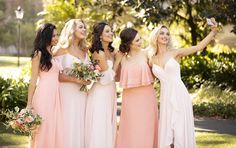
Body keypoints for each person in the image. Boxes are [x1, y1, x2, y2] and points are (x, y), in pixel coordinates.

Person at [150, 18, 219, 148]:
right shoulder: (151, 58)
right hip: (165, 97)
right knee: (168, 133)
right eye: (162, 33)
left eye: (167, 34)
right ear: (156, 36)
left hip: (179, 94)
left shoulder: (175, 53)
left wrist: (213, 32)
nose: (165, 36)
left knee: (180, 131)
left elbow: (199, 47)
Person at [116, 28, 158, 148]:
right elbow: (114, 77)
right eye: (137, 40)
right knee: (132, 127)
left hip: (147, 97)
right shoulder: (122, 58)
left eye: (140, 39)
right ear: (129, 43)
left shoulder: (146, 54)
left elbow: (155, 73)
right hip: (129, 98)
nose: (140, 42)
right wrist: (117, 61)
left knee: (147, 127)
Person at [54, 19, 90, 148]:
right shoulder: (60, 50)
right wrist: (76, 80)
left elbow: (90, 73)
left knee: (80, 124)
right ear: (72, 30)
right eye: (81, 27)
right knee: (67, 124)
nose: (84, 29)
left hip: (81, 94)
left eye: (84, 27)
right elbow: (55, 75)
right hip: (66, 94)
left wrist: (89, 78)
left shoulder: (84, 51)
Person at [26, 23, 64, 148]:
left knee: (53, 127)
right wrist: (29, 104)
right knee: (43, 128)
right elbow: (33, 80)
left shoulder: (52, 53)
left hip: (55, 95)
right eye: (53, 36)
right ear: (46, 36)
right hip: (44, 95)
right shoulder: (39, 54)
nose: (56, 38)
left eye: (56, 35)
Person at [85, 22, 120, 148]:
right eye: (107, 31)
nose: (111, 33)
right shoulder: (98, 52)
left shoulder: (111, 50)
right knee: (100, 124)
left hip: (110, 91)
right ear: (100, 35)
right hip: (100, 92)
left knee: (109, 123)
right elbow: (105, 79)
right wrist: (118, 61)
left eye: (111, 31)